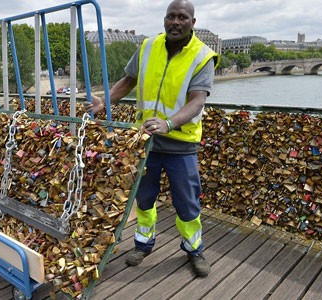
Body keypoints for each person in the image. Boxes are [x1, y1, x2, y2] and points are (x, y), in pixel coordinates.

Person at [85, 0, 219, 277]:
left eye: (182, 17)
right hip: (145, 140)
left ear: (192, 23)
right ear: (164, 20)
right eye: (171, 16)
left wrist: (169, 123)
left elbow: (197, 101)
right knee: (144, 197)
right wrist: (104, 103)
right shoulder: (147, 46)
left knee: (187, 202)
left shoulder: (203, 56)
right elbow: (128, 81)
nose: (175, 22)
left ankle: (194, 250)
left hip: (181, 144)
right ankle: (143, 244)